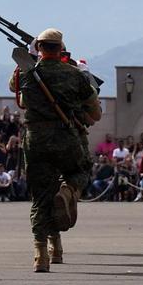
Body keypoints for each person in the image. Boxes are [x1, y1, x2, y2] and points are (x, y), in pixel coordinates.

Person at [9, 27, 100, 272]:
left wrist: (28, 61)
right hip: (65, 137)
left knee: (41, 196)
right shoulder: (74, 75)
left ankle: (42, 254)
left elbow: (13, 88)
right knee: (80, 170)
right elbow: (95, 114)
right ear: (61, 49)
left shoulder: (28, 74)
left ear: (39, 49)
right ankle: (69, 189)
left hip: (36, 139)